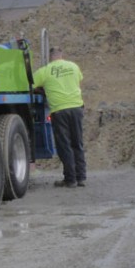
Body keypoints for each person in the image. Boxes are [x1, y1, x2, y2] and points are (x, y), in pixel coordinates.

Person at [33, 47, 86, 188]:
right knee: (77, 143)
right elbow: (78, 81)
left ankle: (70, 179)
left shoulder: (45, 71)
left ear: (50, 57)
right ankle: (81, 178)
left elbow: (30, 85)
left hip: (59, 110)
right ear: (61, 56)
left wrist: (42, 90)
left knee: (65, 145)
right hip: (76, 107)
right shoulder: (74, 66)